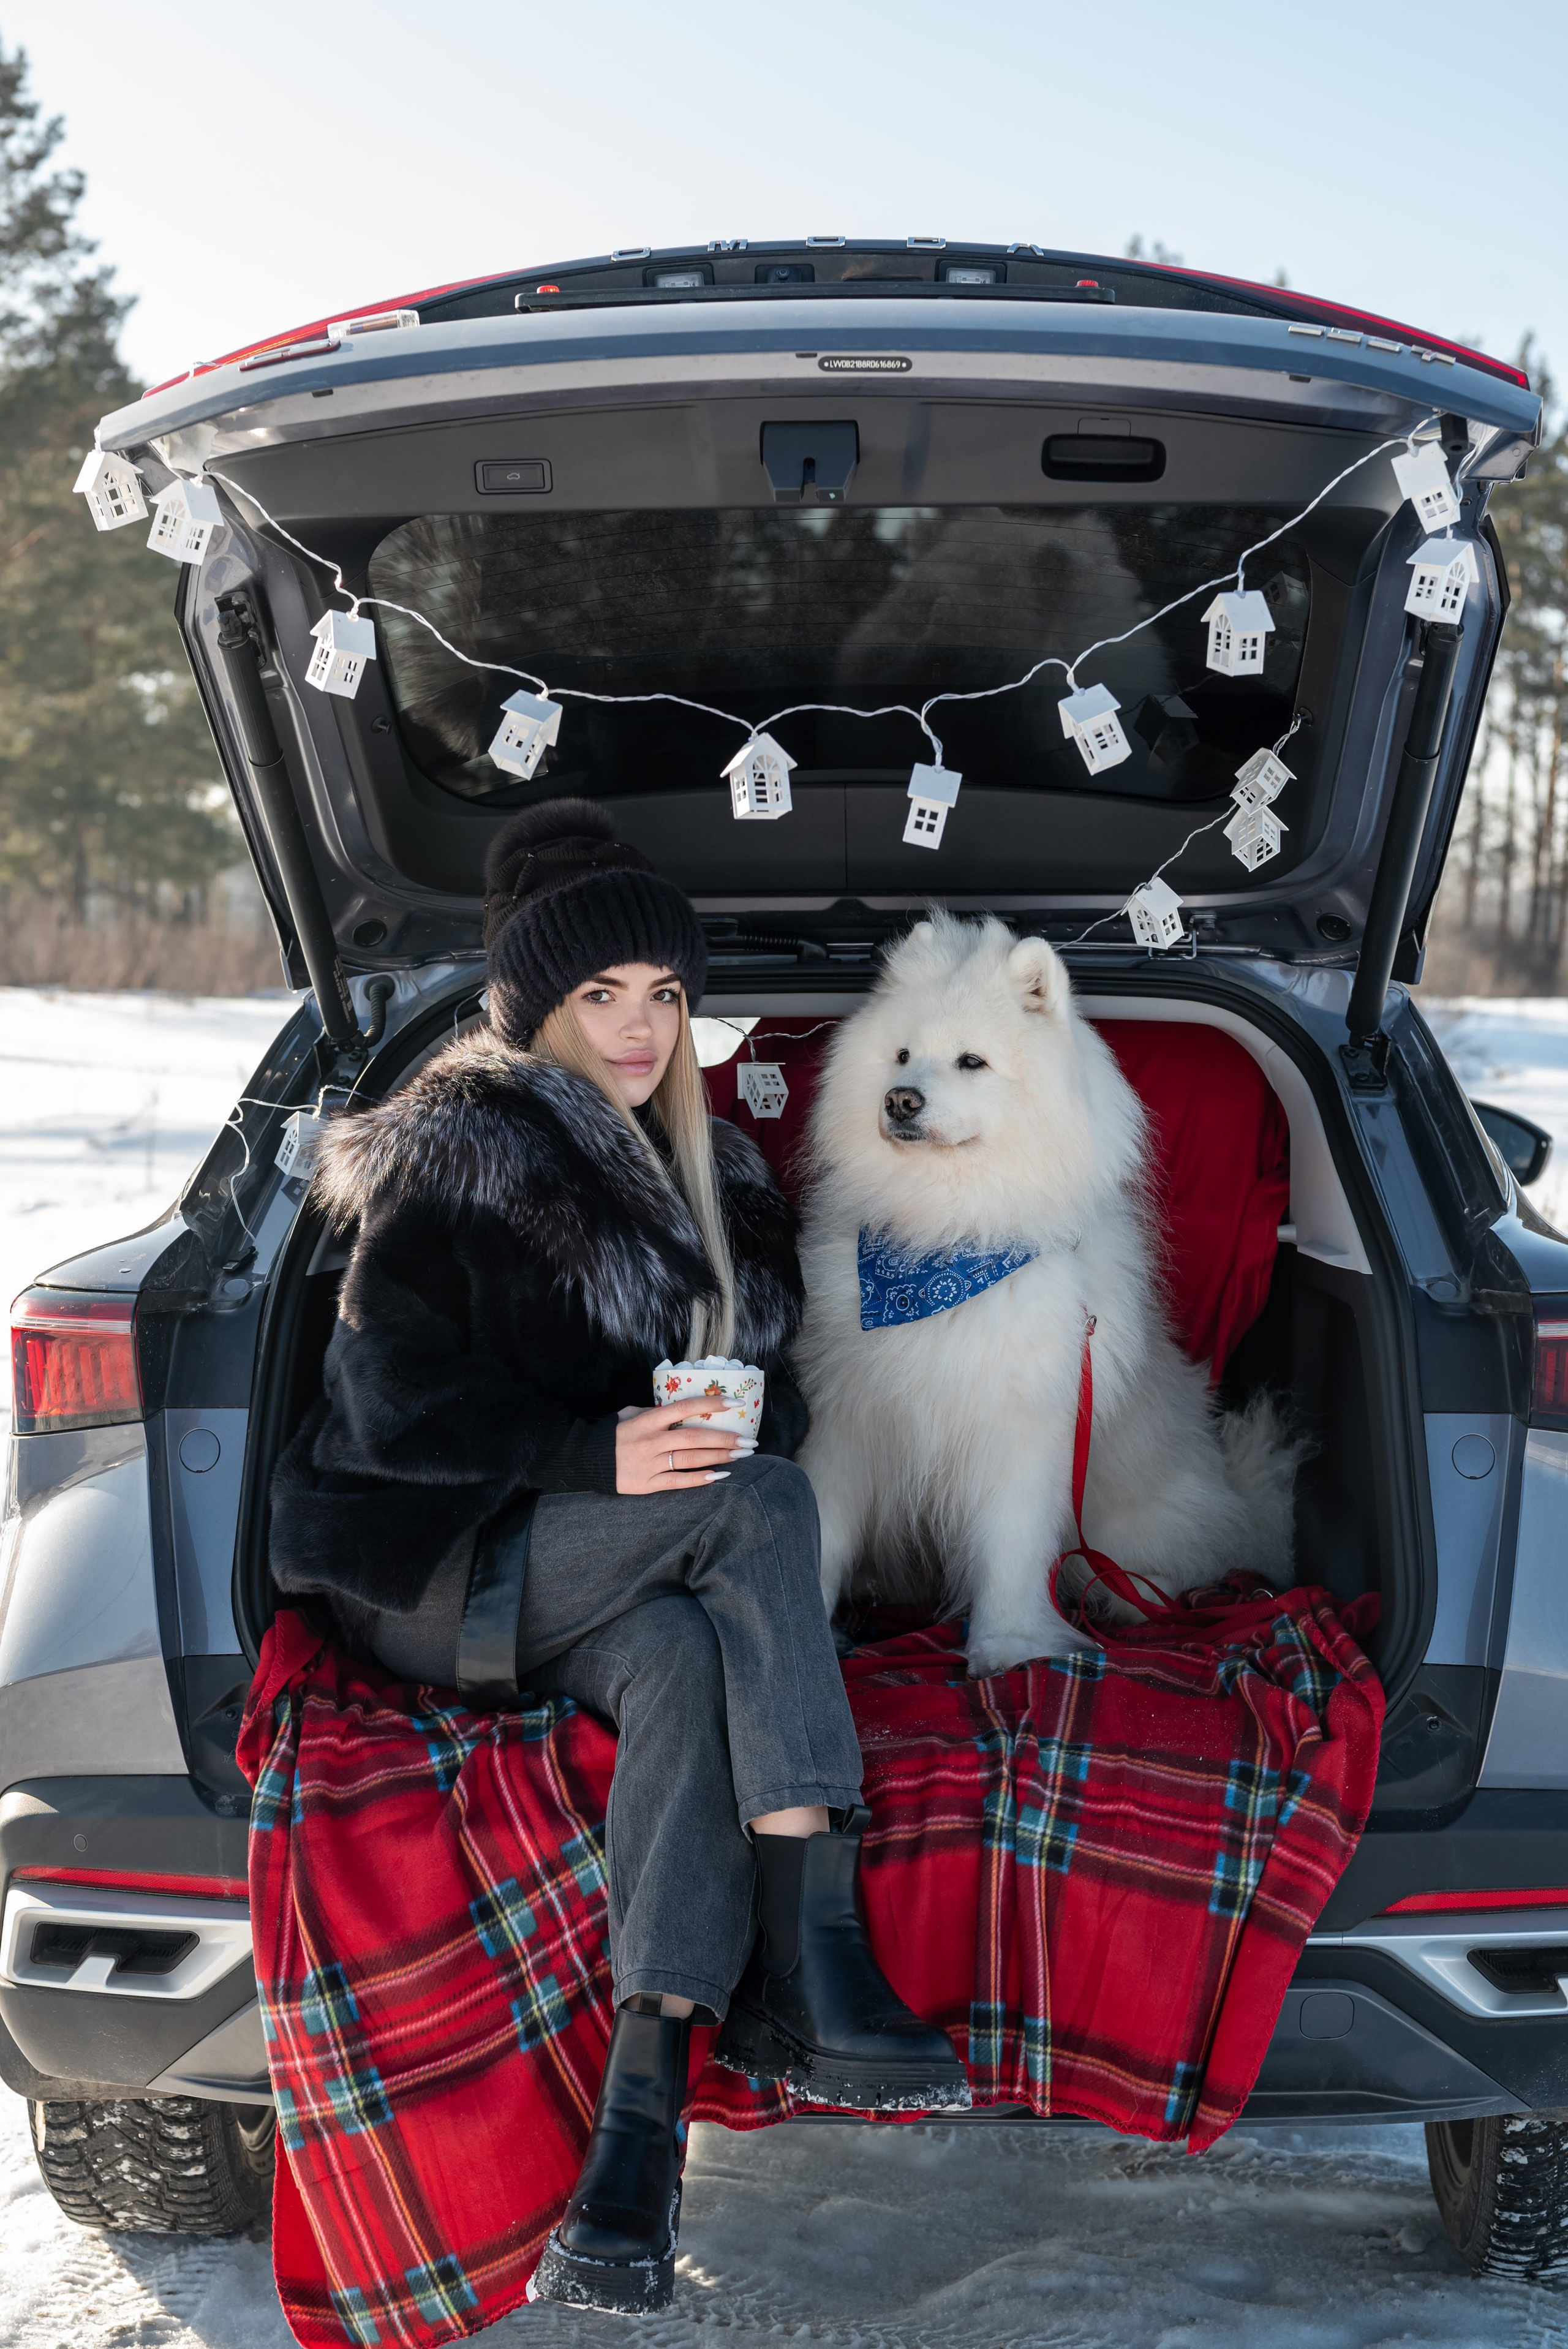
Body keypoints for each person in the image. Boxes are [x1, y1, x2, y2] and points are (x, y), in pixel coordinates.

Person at [269, 797, 967, 2314]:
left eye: (663, 992)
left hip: (606, 1589)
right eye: (601, 992)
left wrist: (716, 1406)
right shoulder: (460, 1145)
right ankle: (812, 1964)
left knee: (684, 1653)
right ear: (534, 1005)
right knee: (763, 1512)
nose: (642, 1026)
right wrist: (592, 1454)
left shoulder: (721, 1181)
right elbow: (386, 1403)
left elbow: (766, 1397)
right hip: (438, 1564)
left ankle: (634, 2154)